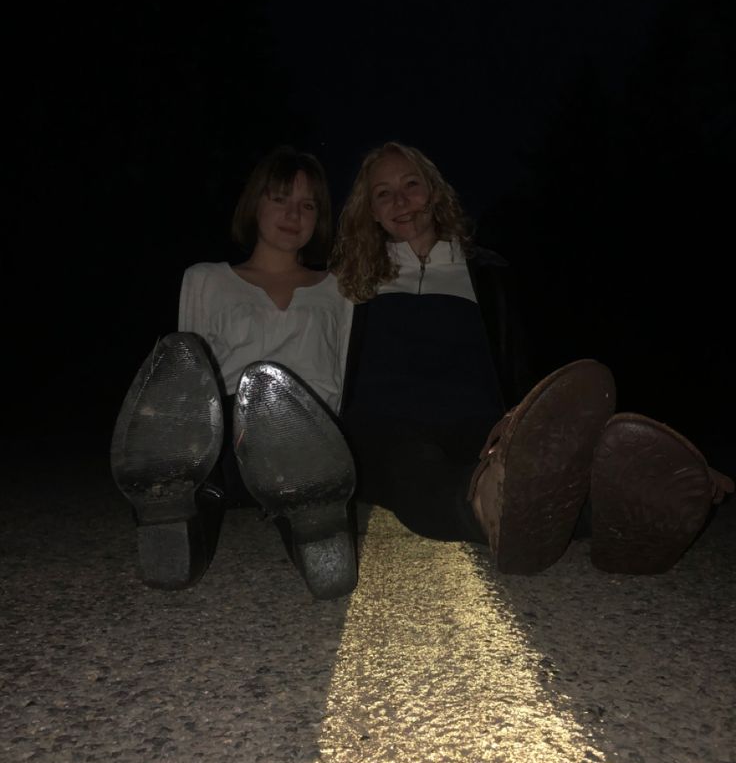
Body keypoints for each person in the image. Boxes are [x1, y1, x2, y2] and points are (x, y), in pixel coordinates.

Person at [331, 141, 733, 574]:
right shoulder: (349, 279)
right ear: (370, 211)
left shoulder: (490, 274)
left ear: (435, 191)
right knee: (417, 465)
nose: (401, 201)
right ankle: (485, 506)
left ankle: (646, 505)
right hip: (383, 431)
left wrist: (520, 417)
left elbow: (527, 362)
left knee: (542, 482)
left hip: (476, 426)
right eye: (383, 193)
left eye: (412, 184)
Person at [111, 147, 357, 599]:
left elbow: (338, 378)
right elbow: (191, 381)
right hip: (225, 434)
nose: (293, 214)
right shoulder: (205, 279)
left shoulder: (340, 288)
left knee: (298, 463)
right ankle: (178, 514)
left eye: (308, 205)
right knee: (201, 456)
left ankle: (316, 524)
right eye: (281, 198)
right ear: (255, 204)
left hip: (302, 435)